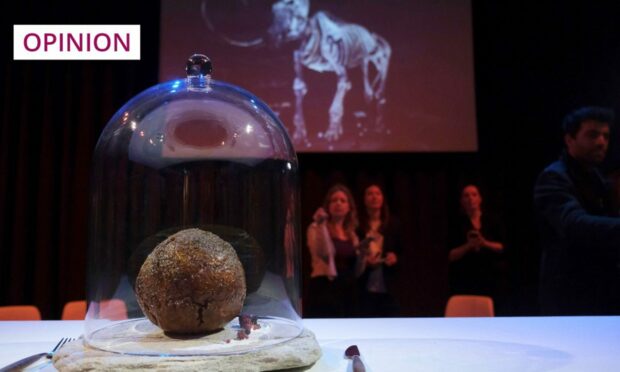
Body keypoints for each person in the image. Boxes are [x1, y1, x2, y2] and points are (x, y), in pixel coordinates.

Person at [534, 106, 620, 315]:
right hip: (569, 298)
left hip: (600, 294)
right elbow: (573, 224)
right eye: (592, 135)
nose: (601, 142)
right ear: (570, 139)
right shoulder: (554, 177)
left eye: (605, 136)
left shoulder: (598, 178)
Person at [305, 184, 360, 317]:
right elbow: (324, 253)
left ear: (349, 207)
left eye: (342, 200)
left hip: (347, 290)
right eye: (334, 200)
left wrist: (363, 255)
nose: (338, 203)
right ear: (328, 206)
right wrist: (321, 225)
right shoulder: (316, 227)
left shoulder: (351, 234)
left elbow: (357, 268)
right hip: (325, 288)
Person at [448, 184, 505, 298]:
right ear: (462, 201)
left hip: (490, 278)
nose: (470, 199)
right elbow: (451, 255)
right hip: (465, 280)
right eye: (466, 196)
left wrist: (484, 243)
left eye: (474, 195)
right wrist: (468, 245)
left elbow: (501, 247)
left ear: (480, 199)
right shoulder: (456, 224)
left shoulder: (492, 220)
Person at [356, 184, 403, 317]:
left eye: (377, 193)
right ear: (364, 199)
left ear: (383, 198)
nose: (374, 197)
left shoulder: (393, 224)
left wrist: (395, 257)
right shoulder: (357, 225)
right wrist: (365, 261)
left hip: (389, 287)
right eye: (370, 193)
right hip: (363, 288)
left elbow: (403, 252)